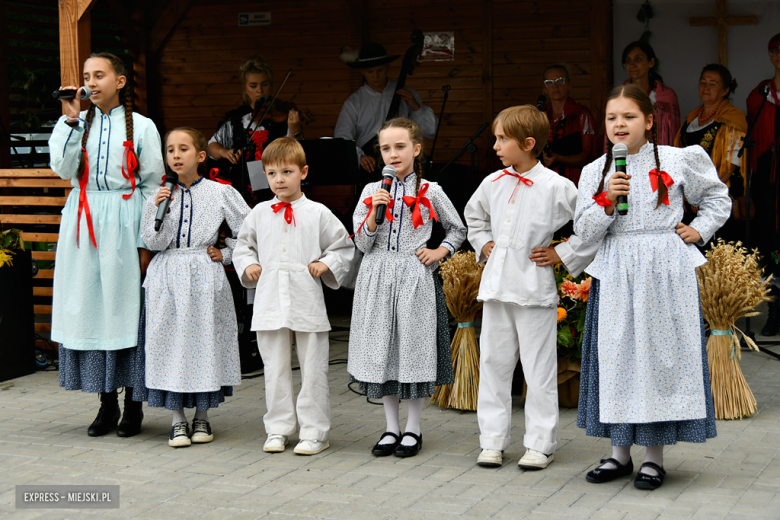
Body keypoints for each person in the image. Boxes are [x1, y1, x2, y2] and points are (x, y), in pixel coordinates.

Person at [575, 84, 730, 490]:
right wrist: (607, 201)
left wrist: (698, 230)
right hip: (617, 269)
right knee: (619, 357)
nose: (619, 124)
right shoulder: (595, 171)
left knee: (660, 358)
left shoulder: (680, 159)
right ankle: (618, 453)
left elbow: (717, 197)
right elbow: (583, 230)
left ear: (648, 120)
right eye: (611, 118)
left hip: (664, 269)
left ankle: (654, 458)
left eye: (628, 116)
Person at [464, 106, 599, 471]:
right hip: (496, 289)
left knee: (539, 369)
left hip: (533, 289)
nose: (495, 146)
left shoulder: (556, 185)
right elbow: (473, 215)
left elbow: (590, 222)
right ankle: (492, 440)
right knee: (494, 364)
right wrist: (483, 242)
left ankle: (541, 442)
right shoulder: (492, 183)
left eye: (502, 139)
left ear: (528, 143)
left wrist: (563, 251)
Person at [48, 52, 163, 438]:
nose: (92, 82)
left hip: (125, 217)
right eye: (87, 76)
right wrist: (69, 118)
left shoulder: (143, 127)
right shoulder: (76, 124)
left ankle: (133, 404)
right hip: (83, 219)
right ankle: (105, 403)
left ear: (121, 81)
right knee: (92, 307)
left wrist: (146, 241)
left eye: (100, 75)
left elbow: (151, 184)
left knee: (125, 308)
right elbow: (63, 169)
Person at [348, 118, 466, 458]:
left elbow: (457, 229)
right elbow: (361, 242)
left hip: (413, 276)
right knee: (382, 349)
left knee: (413, 350)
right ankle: (390, 427)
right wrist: (373, 216)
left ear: (416, 149)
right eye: (386, 148)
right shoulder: (372, 191)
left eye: (400, 146)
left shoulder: (431, 191)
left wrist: (438, 251)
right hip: (376, 276)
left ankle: (413, 427)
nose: (393, 154)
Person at [232, 137, 355, 456]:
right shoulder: (259, 212)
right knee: (274, 369)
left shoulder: (317, 213)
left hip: (306, 302)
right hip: (270, 302)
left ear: (303, 172)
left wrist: (324, 263)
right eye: (272, 173)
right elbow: (242, 246)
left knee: (314, 369)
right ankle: (278, 428)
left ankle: (315, 431)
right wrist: (250, 265)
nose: (279, 179)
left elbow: (342, 246)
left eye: (286, 171)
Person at [134, 127, 249, 447]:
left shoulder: (220, 192)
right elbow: (153, 241)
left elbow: (250, 231)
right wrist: (162, 209)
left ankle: (203, 417)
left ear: (200, 156)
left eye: (183, 149)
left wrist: (225, 253)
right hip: (167, 275)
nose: (175, 155)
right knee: (169, 343)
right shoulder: (157, 197)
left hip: (203, 275)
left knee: (204, 343)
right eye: (170, 150)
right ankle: (177, 420)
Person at [208, 54, 303, 206]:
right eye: (253, 86)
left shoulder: (282, 117)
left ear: (271, 85)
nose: (259, 90)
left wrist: (294, 131)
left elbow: (297, 153)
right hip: (243, 191)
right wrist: (224, 152)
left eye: (264, 84)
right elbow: (212, 145)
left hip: (277, 190)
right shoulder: (236, 119)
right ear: (245, 89)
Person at [335, 43, 437, 172]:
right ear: (362, 71)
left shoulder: (407, 94)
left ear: (387, 66)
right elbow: (342, 137)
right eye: (370, 71)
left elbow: (431, 131)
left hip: (403, 164)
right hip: (370, 167)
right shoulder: (354, 102)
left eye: (380, 70)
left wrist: (416, 107)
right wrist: (359, 156)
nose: (375, 76)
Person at [674, 64, 747, 244]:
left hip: (719, 198)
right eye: (703, 82)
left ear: (725, 90)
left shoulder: (733, 119)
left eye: (712, 84)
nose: (706, 87)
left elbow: (730, 166)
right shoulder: (691, 118)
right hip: (689, 200)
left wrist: (703, 193)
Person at [746, 33, 780, 336]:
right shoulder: (759, 95)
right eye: (775, 51)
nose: (779, 55)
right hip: (769, 179)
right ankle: (774, 310)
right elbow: (753, 143)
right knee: (769, 243)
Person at [541, 64, 596, 187]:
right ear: (545, 89)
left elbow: (588, 157)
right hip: (545, 182)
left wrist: (559, 158)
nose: (555, 86)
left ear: (569, 85)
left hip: (575, 181)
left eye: (560, 80)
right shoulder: (541, 116)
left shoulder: (582, 115)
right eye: (549, 82)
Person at [619, 41, 680, 146]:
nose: (632, 64)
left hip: (658, 156)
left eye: (638, 59)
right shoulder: (619, 96)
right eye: (628, 60)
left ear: (651, 62)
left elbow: (672, 134)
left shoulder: (667, 96)